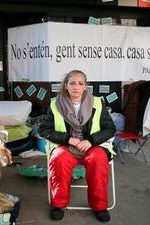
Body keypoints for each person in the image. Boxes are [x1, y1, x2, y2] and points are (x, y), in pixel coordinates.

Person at [39, 70, 116, 222]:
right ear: (66, 85)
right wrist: (67, 139)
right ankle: (58, 205)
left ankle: (100, 206)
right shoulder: (55, 104)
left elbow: (110, 128)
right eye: (72, 83)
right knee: (59, 159)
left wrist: (91, 140)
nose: (76, 87)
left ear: (85, 87)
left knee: (99, 160)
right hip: (66, 146)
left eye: (80, 83)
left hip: (92, 146)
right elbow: (44, 130)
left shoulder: (97, 102)